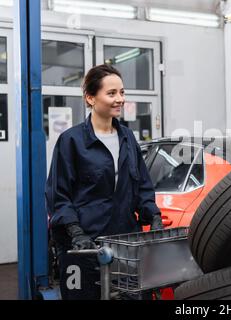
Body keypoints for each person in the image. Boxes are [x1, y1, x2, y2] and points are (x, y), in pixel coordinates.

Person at [45, 64, 163, 300]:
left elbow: (141, 185)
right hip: (83, 247)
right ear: (90, 98)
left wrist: (153, 214)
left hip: (125, 244)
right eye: (111, 94)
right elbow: (58, 195)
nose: (119, 99)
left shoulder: (127, 138)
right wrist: (75, 232)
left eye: (122, 92)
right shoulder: (72, 141)